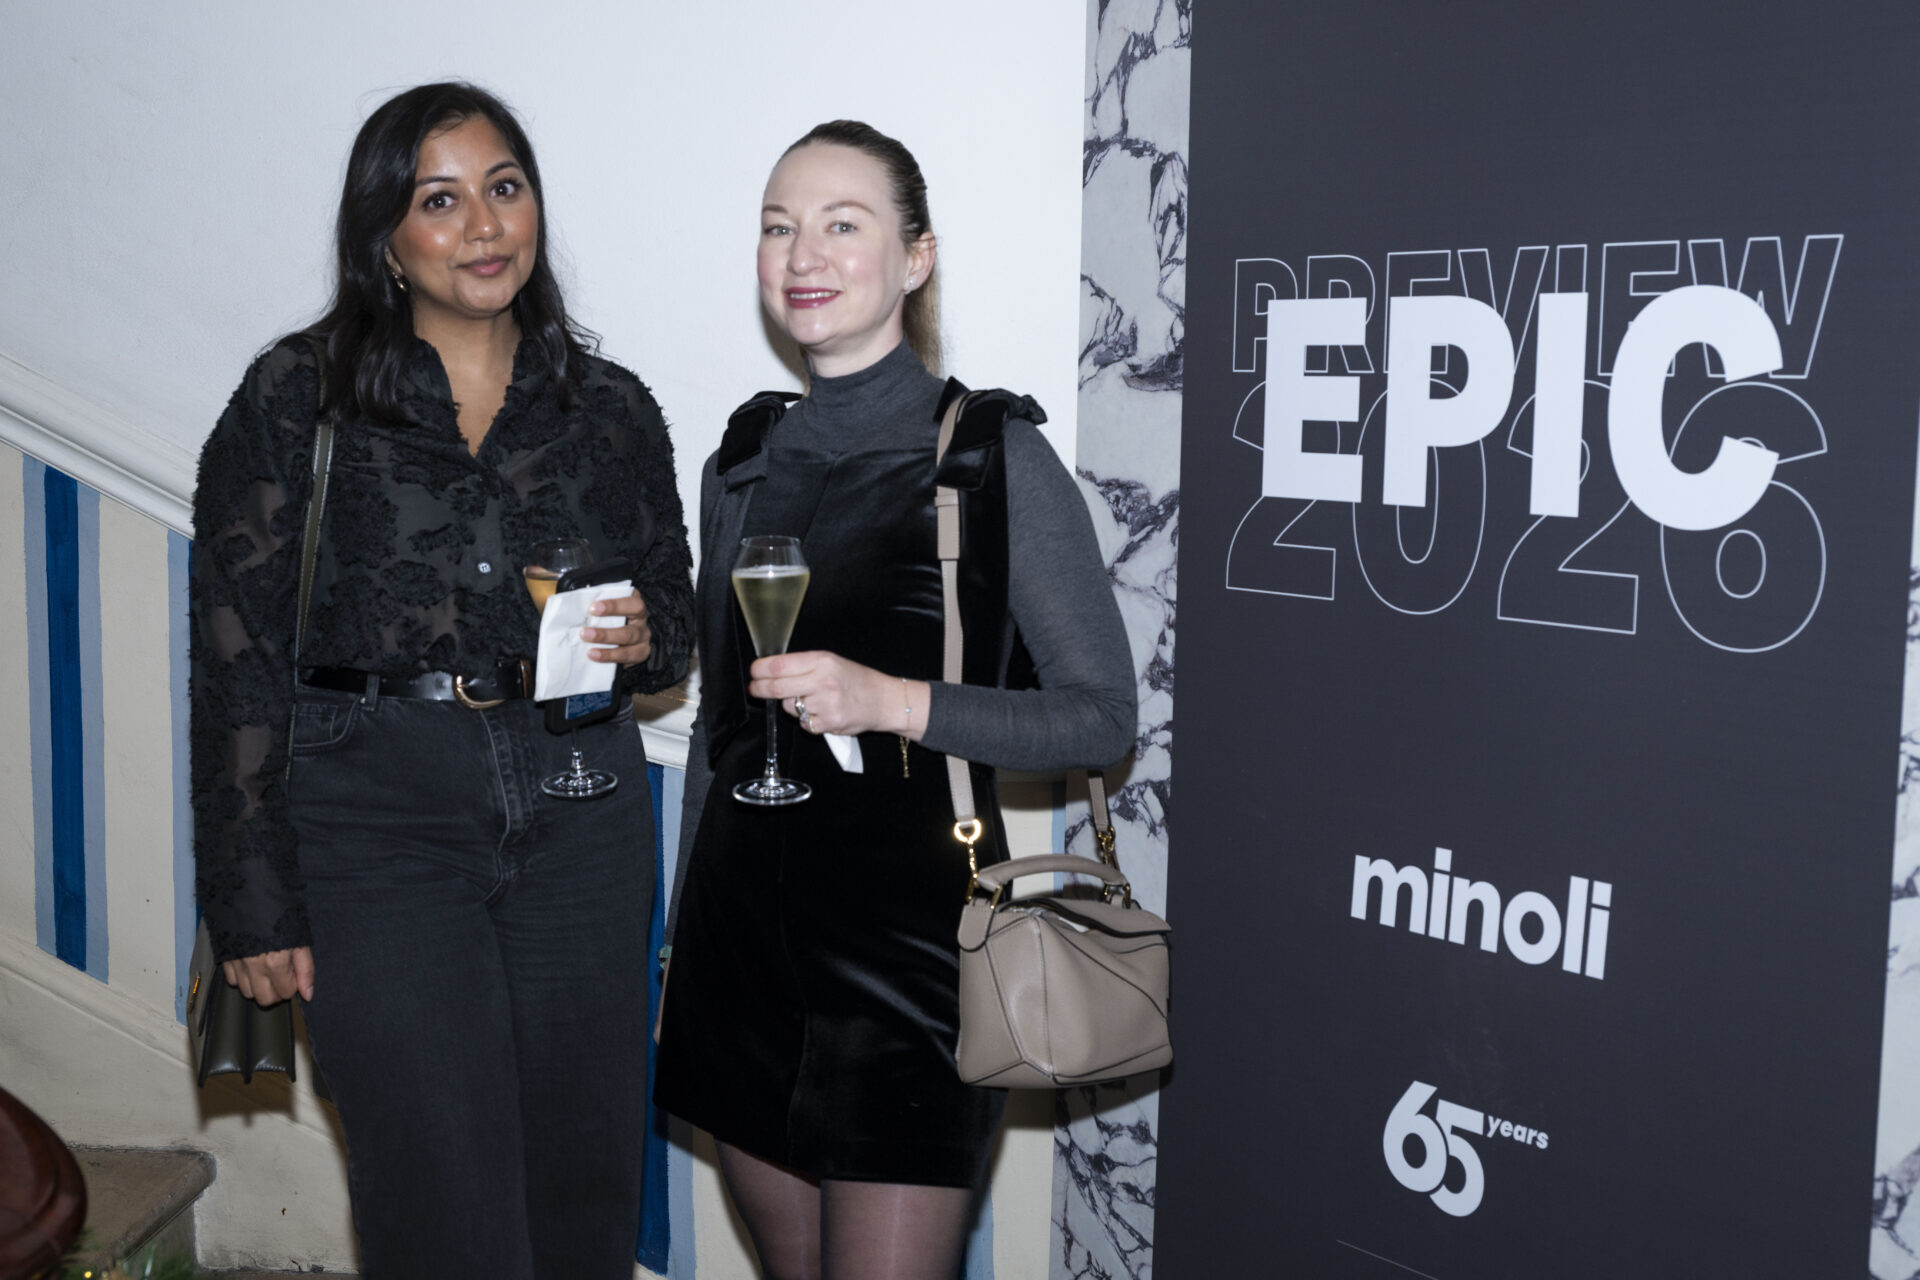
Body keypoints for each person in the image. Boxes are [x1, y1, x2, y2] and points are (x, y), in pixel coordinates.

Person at [189, 82, 693, 1279]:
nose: (483, 225)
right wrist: (251, 900)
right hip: (375, 822)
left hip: (583, 811)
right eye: (440, 200)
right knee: (441, 1204)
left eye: (504, 188)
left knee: (581, 1198)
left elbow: (673, 624)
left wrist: (642, 637)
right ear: (386, 236)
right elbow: (234, 651)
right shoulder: (296, 396)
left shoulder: (611, 409)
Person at [653, 120, 1136, 1280]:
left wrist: (895, 700)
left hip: (914, 955)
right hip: (740, 949)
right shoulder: (741, 461)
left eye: (842, 223)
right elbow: (723, 729)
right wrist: (679, 948)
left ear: (916, 257)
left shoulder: (990, 456)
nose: (803, 253)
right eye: (779, 226)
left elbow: (1100, 716)